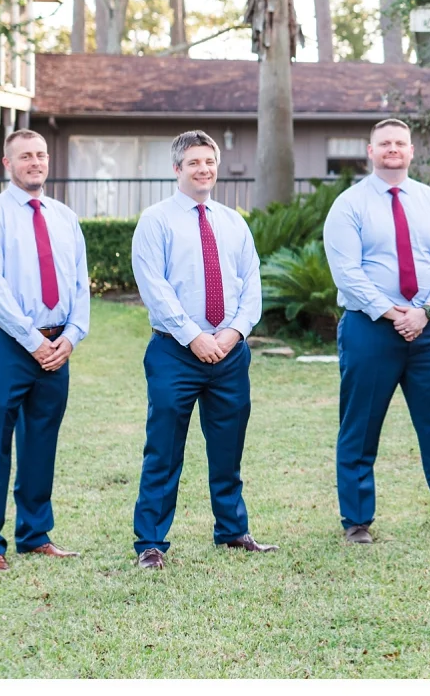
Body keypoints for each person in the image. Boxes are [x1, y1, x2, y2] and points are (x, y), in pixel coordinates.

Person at [322, 118, 430, 544]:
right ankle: (357, 520)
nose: (392, 149)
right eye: (384, 143)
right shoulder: (349, 205)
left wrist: (425, 311)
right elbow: (346, 272)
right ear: (371, 151)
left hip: (429, 330)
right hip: (369, 329)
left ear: (412, 151)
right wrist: (391, 312)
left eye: (400, 142)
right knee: (360, 426)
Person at [129, 130, 274, 568]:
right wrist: (193, 335)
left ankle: (232, 531)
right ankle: (151, 542)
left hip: (229, 353)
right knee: (164, 449)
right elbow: (154, 286)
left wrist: (235, 332)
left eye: (209, 162)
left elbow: (251, 282)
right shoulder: (155, 221)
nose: (203, 169)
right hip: (175, 352)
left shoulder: (233, 222)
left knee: (228, 448)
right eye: (193, 162)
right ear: (177, 169)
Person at [0, 129, 90, 571]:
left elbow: (80, 283)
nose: (35, 162)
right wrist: (33, 341)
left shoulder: (65, 218)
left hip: (57, 347)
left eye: (40, 154)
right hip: (6, 345)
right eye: (25, 156)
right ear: (8, 163)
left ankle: (35, 535)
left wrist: (72, 335)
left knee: (41, 442)